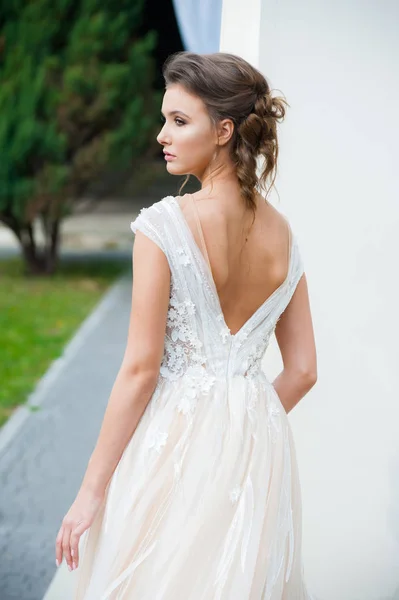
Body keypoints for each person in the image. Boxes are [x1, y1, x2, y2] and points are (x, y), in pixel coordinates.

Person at [55, 51, 318, 599]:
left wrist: (89, 493)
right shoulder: (285, 235)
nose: (161, 135)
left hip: (170, 445)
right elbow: (303, 371)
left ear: (224, 131)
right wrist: (239, 422)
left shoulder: (163, 226)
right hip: (255, 452)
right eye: (163, 119)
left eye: (179, 121)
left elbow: (138, 371)